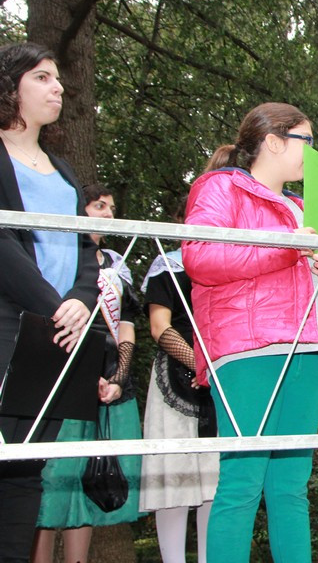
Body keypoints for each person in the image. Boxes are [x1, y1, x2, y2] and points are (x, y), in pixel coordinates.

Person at [182, 102, 318, 562]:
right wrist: (287, 248)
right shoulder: (220, 187)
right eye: (306, 141)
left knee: (291, 487)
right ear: (274, 142)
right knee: (241, 484)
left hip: (306, 349)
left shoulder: (303, 206)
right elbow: (200, 257)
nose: (313, 153)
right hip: (246, 350)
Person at [0, 42, 100, 563]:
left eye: (57, 78)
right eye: (41, 77)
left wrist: (80, 300)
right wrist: (52, 303)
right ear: (9, 86)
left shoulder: (62, 170)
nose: (57, 87)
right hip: (10, 325)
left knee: (27, 469)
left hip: (57, 333)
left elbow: (85, 248)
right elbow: (3, 244)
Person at [33, 185, 144, 563]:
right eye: (99, 206)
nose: (108, 214)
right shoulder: (55, 251)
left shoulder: (116, 264)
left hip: (106, 381)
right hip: (60, 377)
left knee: (87, 482)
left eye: (111, 208)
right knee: (49, 481)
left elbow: (126, 325)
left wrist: (119, 378)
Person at [140, 202, 219, 563]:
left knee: (214, 481)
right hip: (175, 376)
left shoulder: (224, 266)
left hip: (221, 377)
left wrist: (218, 370)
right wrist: (199, 365)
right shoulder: (167, 265)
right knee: (172, 477)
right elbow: (160, 327)